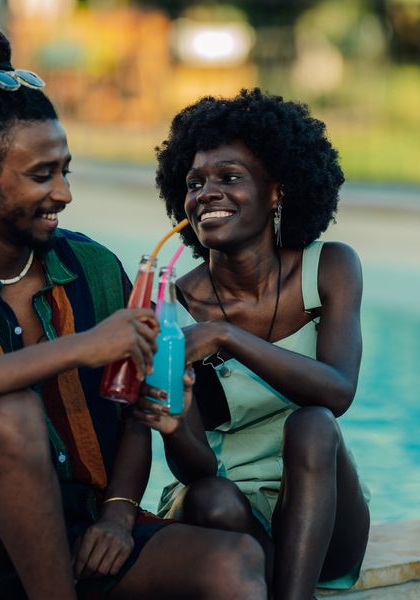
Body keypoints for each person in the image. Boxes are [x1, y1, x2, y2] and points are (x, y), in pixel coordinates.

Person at [0, 12, 268, 600]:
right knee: (11, 415)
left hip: (81, 517)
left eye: (66, 170)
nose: (64, 193)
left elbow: (134, 409)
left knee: (235, 562)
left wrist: (119, 515)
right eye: (41, 175)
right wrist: (80, 347)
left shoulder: (94, 267)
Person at [134, 89, 371, 600]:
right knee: (210, 496)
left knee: (313, 424)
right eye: (194, 183)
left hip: (322, 511)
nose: (206, 193)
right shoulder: (173, 307)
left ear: (277, 192)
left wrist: (225, 336)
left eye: (229, 177)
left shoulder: (329, 266)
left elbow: (336, 393)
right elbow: (195, 469)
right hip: (229, 519)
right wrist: (174, 424)